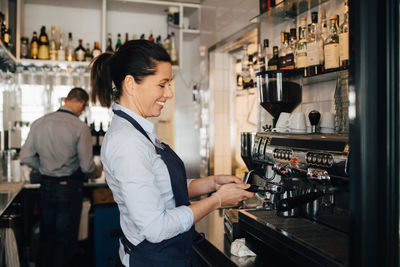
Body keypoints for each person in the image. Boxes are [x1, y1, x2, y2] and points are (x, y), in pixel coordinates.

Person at [90, 39, 254, 267]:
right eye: (162, 84)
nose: (169, 94)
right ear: (130, 84)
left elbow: (162, 186)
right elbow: (156, 228)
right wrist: (217, 200)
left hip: (170, 253)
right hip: (153, 258)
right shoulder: (127, 141)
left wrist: (212, 183)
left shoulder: (140, 130)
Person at [20, 87, 102, 267]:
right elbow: (87, 166)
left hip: (46, 186)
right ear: (81, 103)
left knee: (47, 237)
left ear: (66, 100)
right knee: (65, 241)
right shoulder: (80, 127)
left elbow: (25, 156)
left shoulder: (39, 122)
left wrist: (42, 167)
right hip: (68, 188)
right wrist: (99, 171)